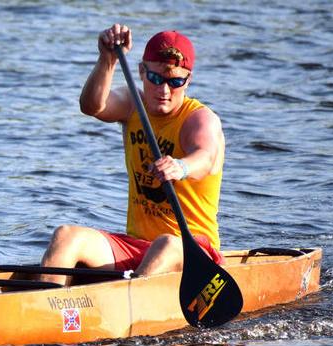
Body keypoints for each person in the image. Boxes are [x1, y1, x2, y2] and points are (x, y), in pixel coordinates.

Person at [39, 24, 225, 286]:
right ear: (141, 71)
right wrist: (108, 58)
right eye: (156, 79)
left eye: (175, 82)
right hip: (137, 247)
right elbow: (91, 106)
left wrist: (180, 167)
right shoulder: (132, 105)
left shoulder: (199, 120)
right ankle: (44, 307)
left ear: (188, 80)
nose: (164, 90)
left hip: (193, 251)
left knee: (167, 243)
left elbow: (205, 157)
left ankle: (127, 302)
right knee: (66, 235)